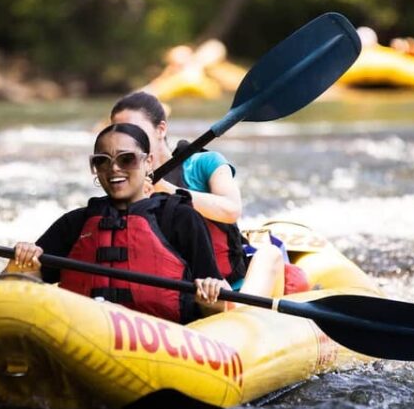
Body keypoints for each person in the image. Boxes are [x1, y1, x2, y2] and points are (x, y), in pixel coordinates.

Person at [4, 122, 231, 324]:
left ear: (148, 162)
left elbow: (214, 307)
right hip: (84, 337)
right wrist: (23, 262)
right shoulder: (75, 223)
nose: (114, 168)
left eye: (127, 159)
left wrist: (210, 295)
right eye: (102, 161)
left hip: (163, 345)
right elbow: (16, 285)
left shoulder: (180, 218)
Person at [109, 91, 310, 297]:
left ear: (160, 130)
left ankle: (238, 310)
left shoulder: (206, 163)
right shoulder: (123, 184)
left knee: (269, 254)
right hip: (178, 292)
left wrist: (167, 189)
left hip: (230, 284)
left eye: (136, 131)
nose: (129, 140)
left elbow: (231, 210)